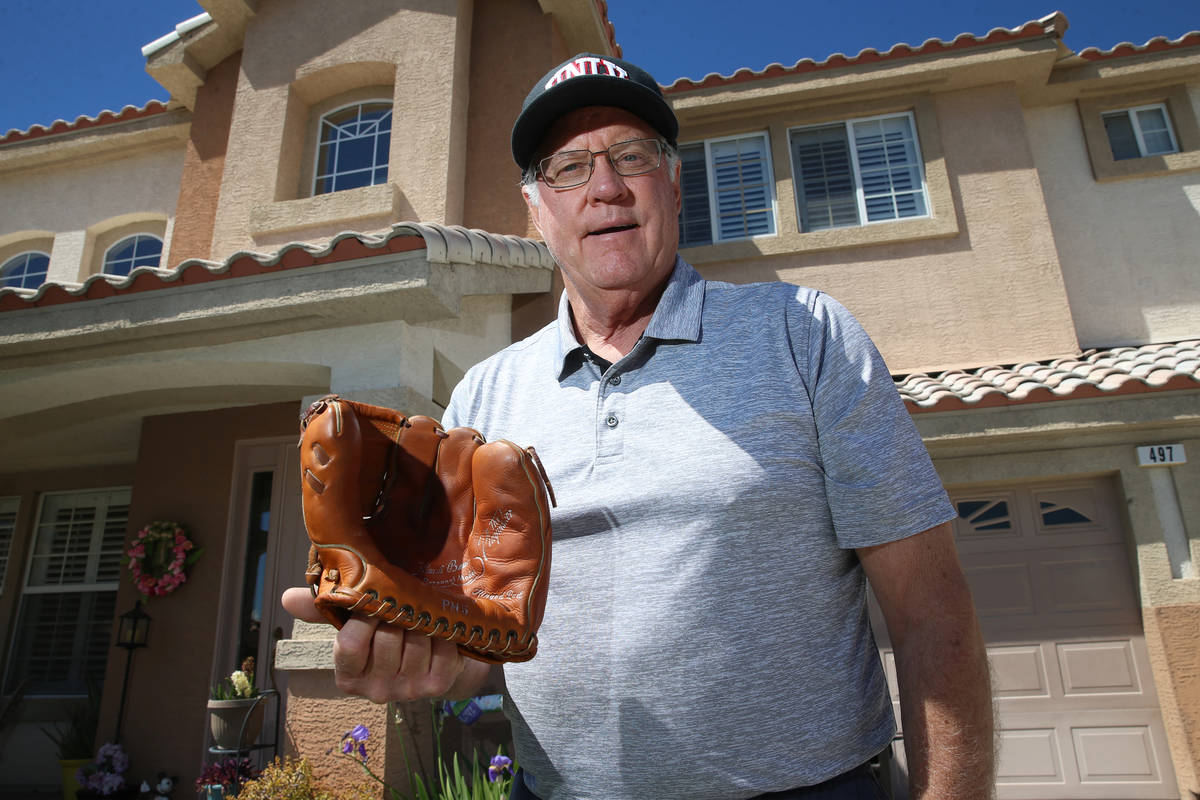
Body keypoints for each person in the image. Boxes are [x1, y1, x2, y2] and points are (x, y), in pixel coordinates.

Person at [284, 52, 994, 800]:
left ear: (674, 181)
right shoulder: (482, 400)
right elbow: (481, 649)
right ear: (534, 207)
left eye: (631, 155)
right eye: (568, 167)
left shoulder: (804, 335)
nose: (605, 186)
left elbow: (932, 614)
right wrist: (424, 654)